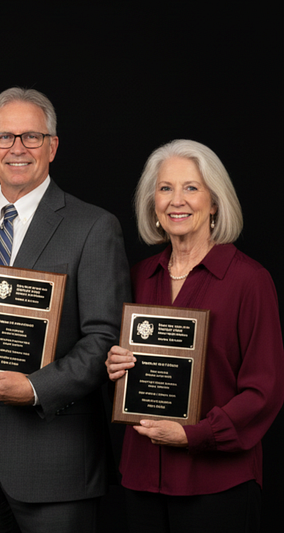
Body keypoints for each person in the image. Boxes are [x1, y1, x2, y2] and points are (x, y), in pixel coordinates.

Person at [0, 88, 131, 533]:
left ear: (53, 146)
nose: (17, 148)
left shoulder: (94, 227)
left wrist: (34, 388)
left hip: (57, 458)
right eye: (5, 137)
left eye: (31, 136)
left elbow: (104, 337)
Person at [105, 139, 284, 532]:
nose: (176, 200)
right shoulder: (137, 278)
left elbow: (264, 391)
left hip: (218, 484)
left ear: (215, 201)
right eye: (165, 188)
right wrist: (115, 365)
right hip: (142, 480)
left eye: (191, 187)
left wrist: (194, 435)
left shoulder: (249, 281)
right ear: (153, 203)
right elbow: (123, 373)